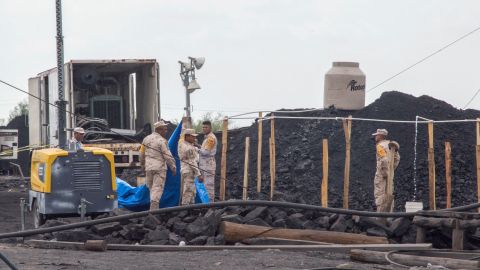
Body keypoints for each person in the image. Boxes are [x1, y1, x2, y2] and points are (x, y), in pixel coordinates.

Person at [140, 120, 177, 210]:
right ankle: (154, 211)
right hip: (159, 168)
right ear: (159, 130)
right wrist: (173, 167)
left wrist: (142, 166)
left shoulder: (146, 139)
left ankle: (152, 209)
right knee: (157, 189)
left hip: (148, 168)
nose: (166, 131)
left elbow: (141, 154)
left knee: (152, 189)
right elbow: (167, 156)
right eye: (165, 129)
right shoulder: (162, 141)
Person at [372, 129, 400, 212]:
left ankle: (380, 216)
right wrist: (391, 170)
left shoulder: (380, 146)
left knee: (380, 194)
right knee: (389, 192)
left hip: (381, 175)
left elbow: (383, 159)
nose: (375, 137)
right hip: (390, 174)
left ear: (380, 136)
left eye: (376, 135)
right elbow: (397, 158)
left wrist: (385, 172)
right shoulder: (391, 145)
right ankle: (389, 215)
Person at [178, 129, 201, 205]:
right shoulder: (189, 148)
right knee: (188, 190)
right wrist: (199, 174)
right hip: (189, 170)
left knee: (192, 190)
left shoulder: (182, 144)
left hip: (185, 170)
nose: (194, 139)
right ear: (187, 136)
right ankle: (185, 208)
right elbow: (192, 162)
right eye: (192, 137)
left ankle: (191, 208)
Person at [198, 120, 218, 202]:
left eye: (206, 127)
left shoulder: (210, 138)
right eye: (203, 127)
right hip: (204, 165)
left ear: (210, 128)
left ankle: (210, 205)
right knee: (204, 185)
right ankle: (206, 203)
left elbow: (205, 152)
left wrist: (196, 148)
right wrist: (199, 146)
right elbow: (204, 149)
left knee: (208, 186)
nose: (204, 129)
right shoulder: (206, 138)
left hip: (208, 165)